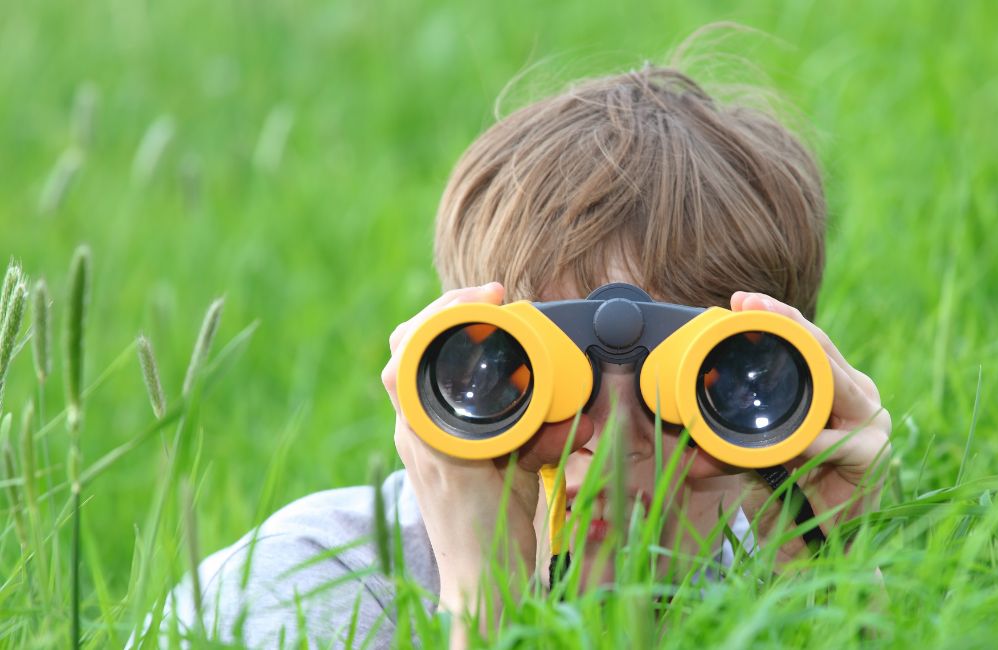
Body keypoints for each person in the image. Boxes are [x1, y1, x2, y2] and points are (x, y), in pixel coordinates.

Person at [159, 64, 891, 648]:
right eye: (541, 379)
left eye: (696, 383)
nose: (610, 446)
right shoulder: (304, 590)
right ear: (453, 377)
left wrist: (833, 588)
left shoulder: (778, 576)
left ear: (782, 393)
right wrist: (485, 607)